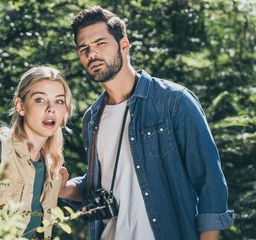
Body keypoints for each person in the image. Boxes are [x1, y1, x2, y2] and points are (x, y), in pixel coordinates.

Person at [58, 6, 234, 240]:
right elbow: (106, 180)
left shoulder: (174, 102)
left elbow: (210, 182)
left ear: (124, 45)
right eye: (84, 48)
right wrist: (63, 188)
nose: (92, 54)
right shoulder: (92, 118)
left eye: (101, 43)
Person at [0, 66, 73, 239]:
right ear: (21, 107)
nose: (51, 109)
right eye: (40, 99)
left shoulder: (52, 169)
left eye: (59, 101)